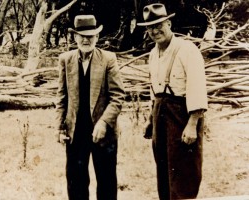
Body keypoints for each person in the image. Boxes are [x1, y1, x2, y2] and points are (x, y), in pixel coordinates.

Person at [137, 3, 208, 200]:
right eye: (150, 27)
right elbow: (155, 90)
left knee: (184, 173)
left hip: (182, 116)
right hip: (160, 115)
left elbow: (197, 88)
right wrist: (151, 120)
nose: (155, 31)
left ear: (168, 23)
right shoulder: (153, 54)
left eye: (159, 25)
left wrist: (193, 124)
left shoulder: (187, 50)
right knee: (164, 171)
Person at [55, 15, 125, 200]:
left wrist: (103, 123)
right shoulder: (65, 59)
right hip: (76, 131)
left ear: (97, 37)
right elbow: (62, 97)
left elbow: (118, 97)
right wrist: (59, 127)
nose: (86, 40)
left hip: (103, 133)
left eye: (91, 36)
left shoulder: (108, 59)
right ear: (75, 37)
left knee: (106, 181)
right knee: (76, 181)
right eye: (82, 36)